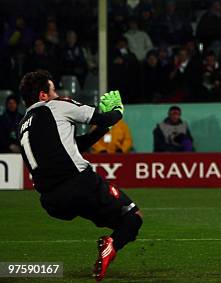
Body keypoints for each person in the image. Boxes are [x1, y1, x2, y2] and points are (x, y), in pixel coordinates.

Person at [16, 71, 142, 281]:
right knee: (133, 217)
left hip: (52, 202)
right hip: (80, 185)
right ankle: (110, 246)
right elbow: (103, 117)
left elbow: (73, 146)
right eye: (53, 90)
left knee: (123, 225)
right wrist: (117, 112)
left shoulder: (21, 126)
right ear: (43, 96)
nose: (57, 94)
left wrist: (104, 128)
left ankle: (112, 242)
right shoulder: (56, 106)